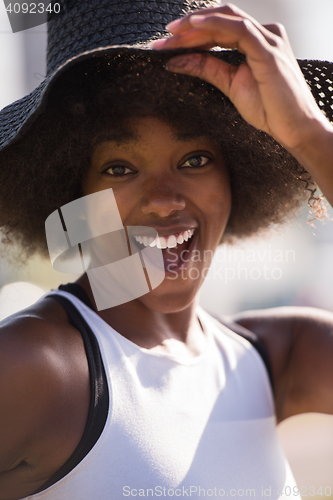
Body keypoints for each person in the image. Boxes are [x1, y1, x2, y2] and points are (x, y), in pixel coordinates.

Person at [0, 1, 332, 499]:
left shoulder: (275, 358)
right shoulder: (37, 365)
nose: (163, 201)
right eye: (119, 168)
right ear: (74, 197)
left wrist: (308, 133)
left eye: (194, 159)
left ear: (236, 176)